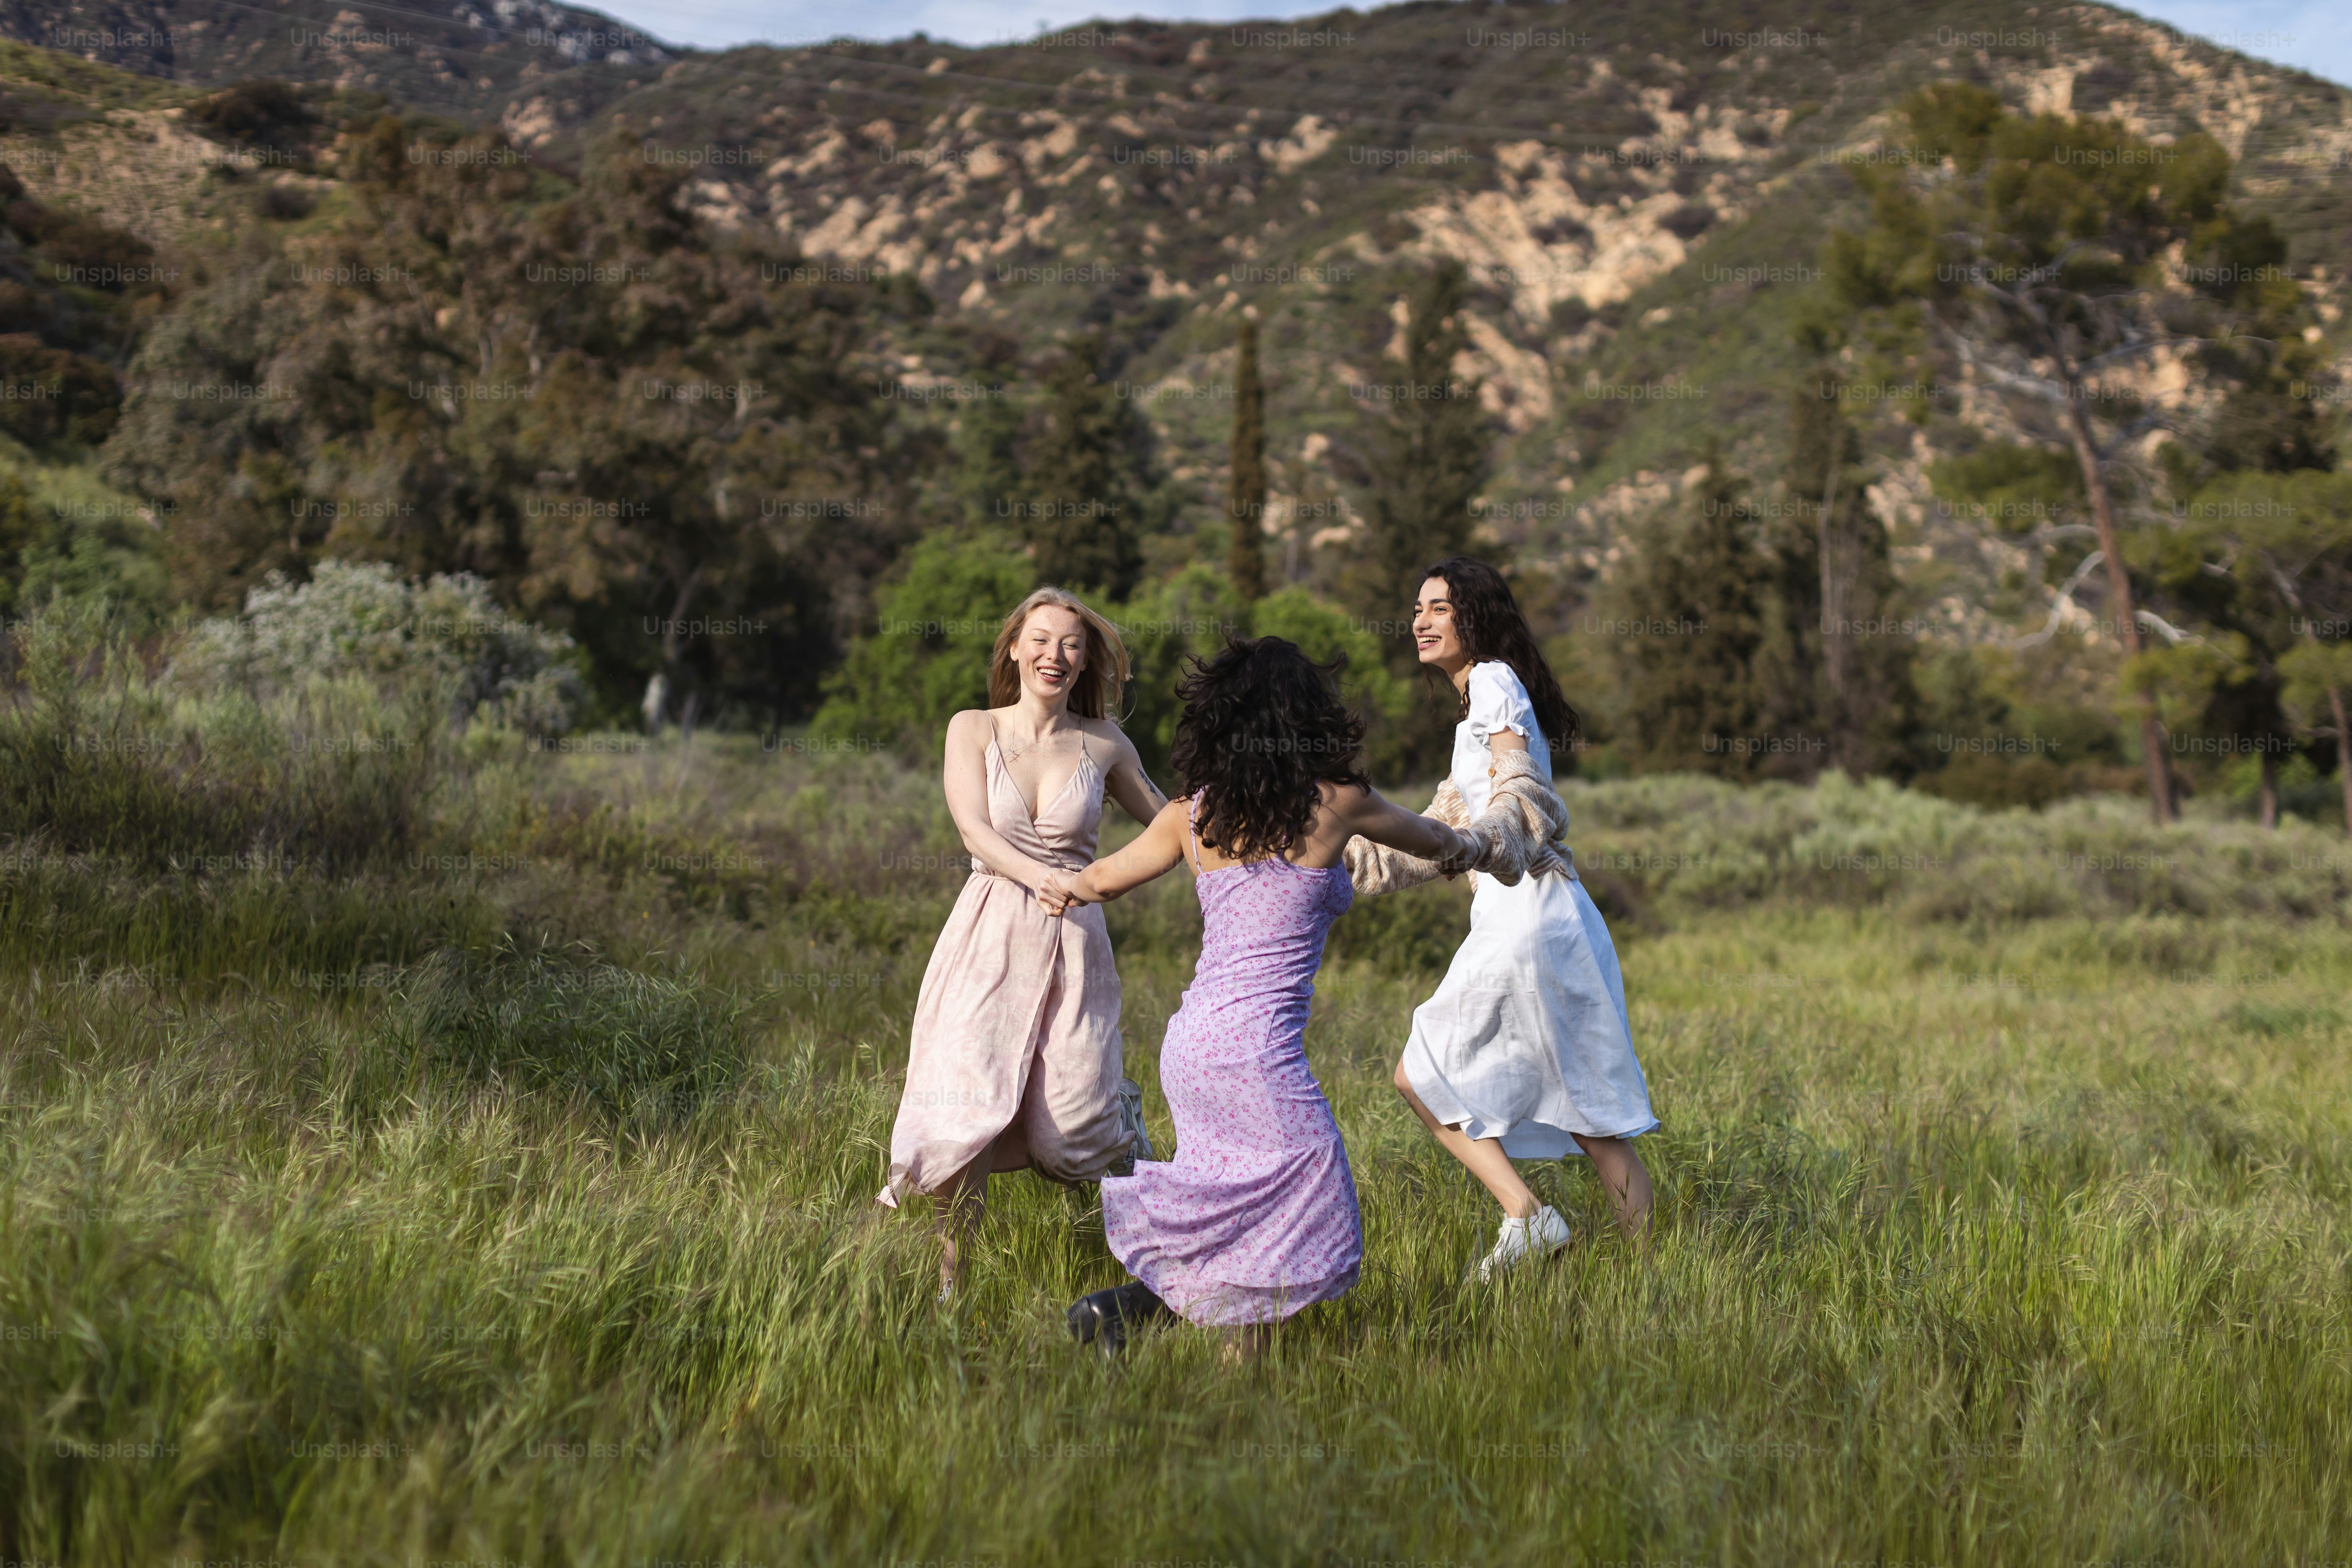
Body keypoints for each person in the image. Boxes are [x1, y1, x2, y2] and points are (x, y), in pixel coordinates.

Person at [1045, 637, 1476, 1355]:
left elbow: (1098, 881)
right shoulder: (1338, 802)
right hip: (1256, 1053)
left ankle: (1215, 1380)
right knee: (1316, 1201)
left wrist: (1047, 879)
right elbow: (1434, 838)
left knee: (1244, 1213)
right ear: (1309, 716)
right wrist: (1489, 841)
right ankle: (1129, 1308)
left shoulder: (1190, 815)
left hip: (1192, 1047)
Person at [877, 587, 1167, 1300]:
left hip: (1075, 942)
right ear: (1013, 648)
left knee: (1075, 1125)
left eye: (1071, 644)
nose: (1055, 655)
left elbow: (1172, 826)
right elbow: (974, 829)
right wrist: (1041, 875)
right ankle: (954, 1283)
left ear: (1085, 659)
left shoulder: (1104, 742)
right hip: (989, 932)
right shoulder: (972, 727)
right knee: (967, 1105)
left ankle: (1152, 1196)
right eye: (1040, 640)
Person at [1394, 556, 1658, 1281]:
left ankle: (1530, 1214)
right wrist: (1327, 855)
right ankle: (1646, 1276)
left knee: (1421, 1073)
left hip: (1528, 913)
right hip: (1535, 915)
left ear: (1475, 616)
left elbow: (1516, 787)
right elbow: (1437, 834)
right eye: (1417, 607)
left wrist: (1497, 836)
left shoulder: (1492, 680)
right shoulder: (1479, 701)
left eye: (1439, 607)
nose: (1420, 619)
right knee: (1585, 1108)